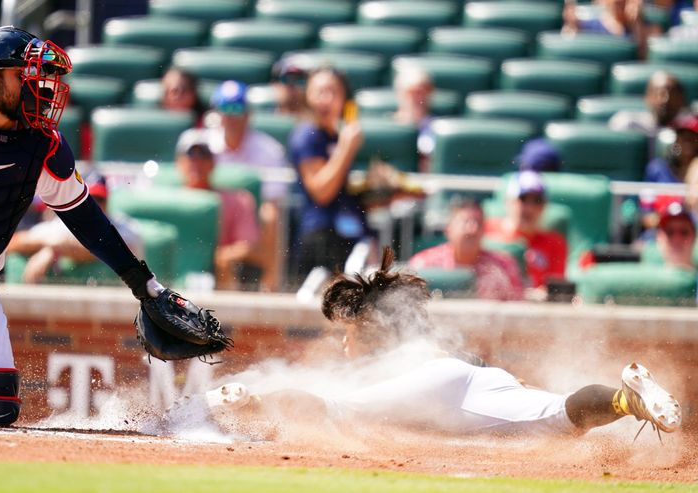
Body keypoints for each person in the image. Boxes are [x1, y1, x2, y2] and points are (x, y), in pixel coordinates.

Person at [0, 26, 216, 427]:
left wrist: (143, 283)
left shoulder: (43, 143)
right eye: (24, 74)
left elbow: (86, 219)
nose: (40, 87)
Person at [202, 248, 681, 439]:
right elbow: (467, 366)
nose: (344, 343)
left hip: (435, 386)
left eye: (348, 332)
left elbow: (335, 388)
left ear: (365, 327)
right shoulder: (415, 341)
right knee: (560, 414)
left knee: (333, 406)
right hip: (472, 376)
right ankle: (631, 400)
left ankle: (247, 399)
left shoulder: (379, 350)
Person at [288, 67, 370, 281]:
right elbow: (321, 192)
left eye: (334, 92)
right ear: (308, 96)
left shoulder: (334, 135)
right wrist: (346, 148)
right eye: (320, 92)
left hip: (347, 235)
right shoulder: (307, 135)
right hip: (319, 238)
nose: (327, 99)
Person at [205, 80, 288, 291]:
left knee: (271, 215)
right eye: (225, 108)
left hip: (251, 224)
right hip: (215, 216)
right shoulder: (202, 145)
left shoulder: (269, 150)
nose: (231, 115)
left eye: (237, 108)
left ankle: (271, 290)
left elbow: (272, 201)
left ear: (248, 113)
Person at [6, 173, 143, 284]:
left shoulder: (124, 227)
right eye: (89, 199)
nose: (94, 206)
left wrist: (54, 250)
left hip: (118, 309)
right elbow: (14, 243)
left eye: (98, 199)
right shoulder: (65, 224)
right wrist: (51, 247)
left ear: (107, 202)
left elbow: (109, 248)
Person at [175, 129, 260, 290]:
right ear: (179, 161)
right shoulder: (167, 201)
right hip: (171, 273)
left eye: (204, 155)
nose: (197, 162)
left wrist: (222, 256)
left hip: (215, 276)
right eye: (191, 155)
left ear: (213, 162)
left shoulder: (238, 201)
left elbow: (249, 245)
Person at [409, 198, 524, 301]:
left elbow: (518, 308)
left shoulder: (503, 266)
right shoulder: (425, 264)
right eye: (465, 222)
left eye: (478, 223)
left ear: (484, 230)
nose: (472, 229)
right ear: (448, 229)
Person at [485, 171, 568, 290]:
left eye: (537, 201)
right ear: (508, 201)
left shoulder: (554, 243)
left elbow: (554, 289)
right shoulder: (486, 231)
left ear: (544, 206)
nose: (530, 208)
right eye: (523, 199)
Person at [609, 71, 691, 159]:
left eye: (673, 94)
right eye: (660, 93)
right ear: (647, 97)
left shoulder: (690, 129)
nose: (665, 100)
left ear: (682, 100)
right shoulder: (628, 123)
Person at [562, 0, 658, 58]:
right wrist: (571, 26)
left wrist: (637, 23)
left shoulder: (648, 28)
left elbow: (643, 57)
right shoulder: (585, 26)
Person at [392, 67, 434, 172]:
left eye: (423, 90)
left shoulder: (438, 128)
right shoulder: (387, 127)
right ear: (399, 93)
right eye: (411, 91)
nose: (417, 97)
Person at [644, 115, 698, 183]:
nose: (687, 142)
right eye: (683, 137)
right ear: (675, 140)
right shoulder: (657, 169)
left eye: (693, 138)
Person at [654, 198, 696, 270]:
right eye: (669, 232)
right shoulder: (648, 280)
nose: (677, 239)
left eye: (684, 232)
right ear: (659, 238)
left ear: (694, 237)